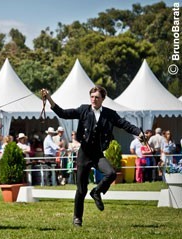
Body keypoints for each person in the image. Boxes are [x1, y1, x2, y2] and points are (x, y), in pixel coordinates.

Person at [41, 85, 143, 227]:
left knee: (111, 173)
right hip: (84, 153)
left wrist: (139, 132)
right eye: (92, 97)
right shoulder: (84, 110)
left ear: (102, 99)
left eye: (97, 97)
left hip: (97, 153)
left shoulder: (110, 114)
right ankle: (77, 218)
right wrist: (49, 98)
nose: (94, 99)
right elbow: (63, 113)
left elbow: (124, 124)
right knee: (81, 189)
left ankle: (96, 191)